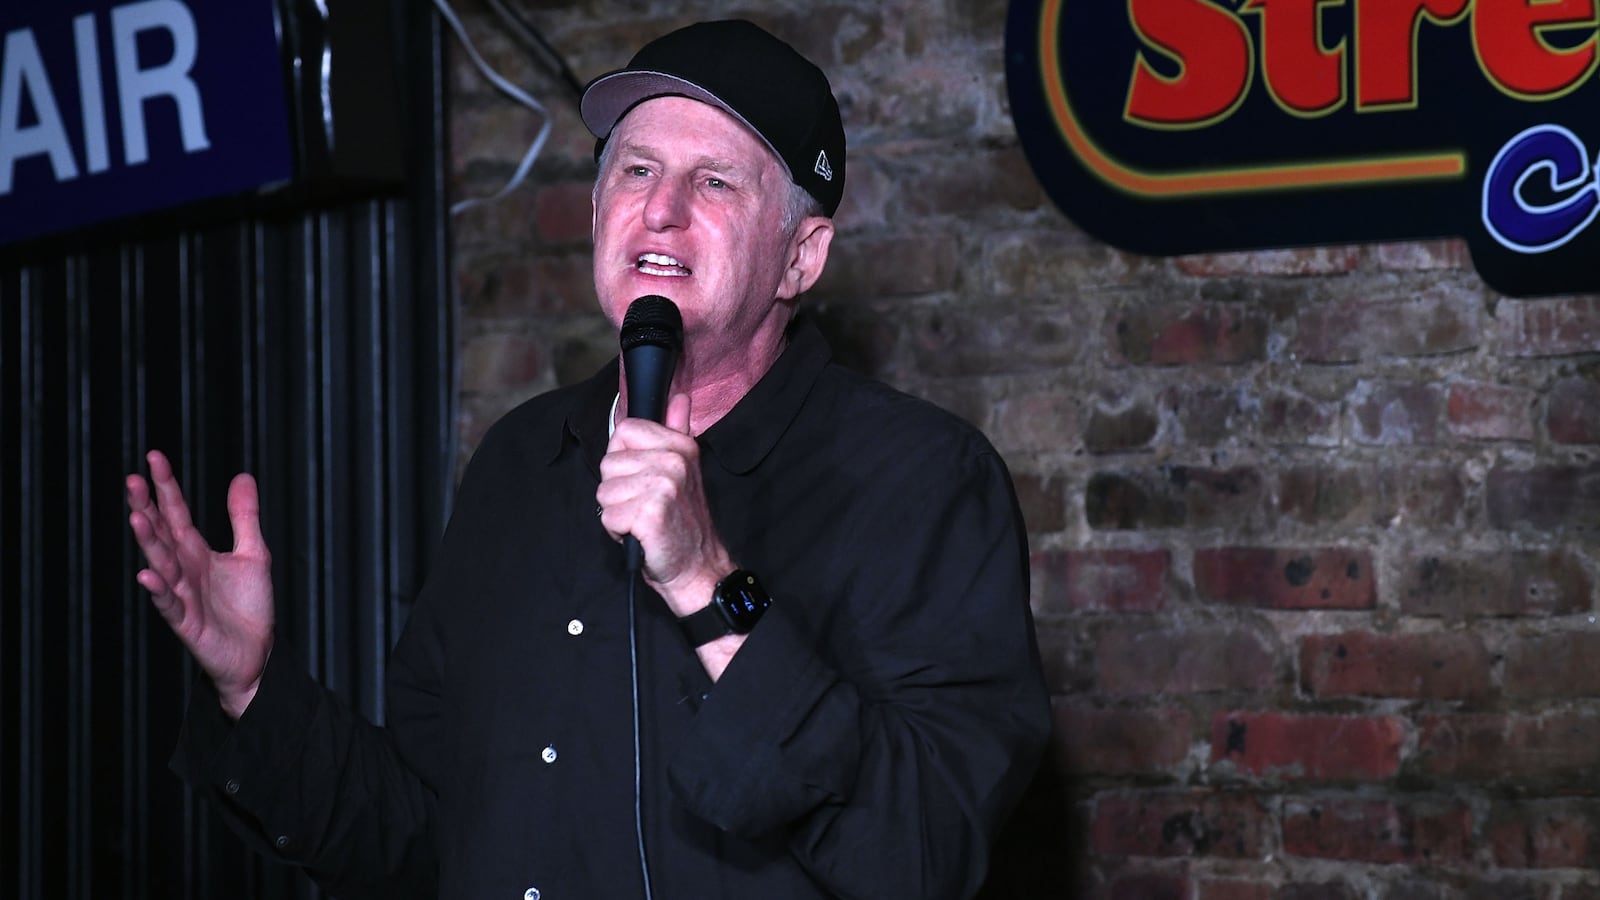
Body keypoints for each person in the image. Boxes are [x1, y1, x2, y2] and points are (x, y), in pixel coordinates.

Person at [125, 19, 1050, 900]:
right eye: (637, 169)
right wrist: (252, 686)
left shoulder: (922, 480)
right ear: (599, 208)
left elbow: (922, 853)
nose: (662, 210)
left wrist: (707, 581)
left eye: (716, 182)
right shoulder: (521, 461)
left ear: (800, 260)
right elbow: (424, 840)